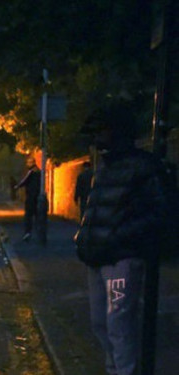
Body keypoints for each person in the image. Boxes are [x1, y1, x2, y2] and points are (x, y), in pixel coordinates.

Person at [75, 103, 169, 375]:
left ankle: (124, 371)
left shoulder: (143, 166)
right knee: (100, 323)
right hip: (98, 256)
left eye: (101, 132)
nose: (97, 141)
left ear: (117, 132)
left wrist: (120, 236)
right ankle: (114, 369)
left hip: (121, 260)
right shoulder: (103, 168)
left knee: (119, 321)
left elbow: (160, 211)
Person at [14, 158, 41, 241]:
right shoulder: (39, 172)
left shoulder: (31, 172)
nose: (27, 164)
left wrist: (17, 186)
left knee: (28, 216)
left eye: (28, 163)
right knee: (37, 216)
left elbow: (25, 181)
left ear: (32, 163)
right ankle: (39, 233)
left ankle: (28, 233)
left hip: (30, 197)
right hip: (37, 197)